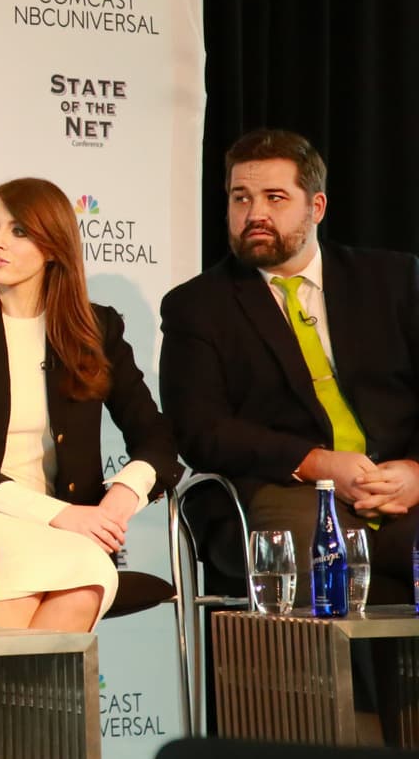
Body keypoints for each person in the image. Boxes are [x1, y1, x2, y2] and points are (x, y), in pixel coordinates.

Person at [0, 177, 180, 759]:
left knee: (80, 581)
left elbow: (157, 439)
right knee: (57, 568)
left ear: (53, 245)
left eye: (18, 230)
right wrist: (63, 517)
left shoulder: (97, 328)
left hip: (56, 535)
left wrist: (118, 500)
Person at [160, 129, 419, 604]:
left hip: (399, 486)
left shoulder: (393, 281)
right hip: (282, 487)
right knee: (315, 566)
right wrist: (315, 463)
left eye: (275, 197)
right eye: (241, 198)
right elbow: (200, 429)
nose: (255, 214)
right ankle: (320, 682)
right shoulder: (197, 306)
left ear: (316, 207)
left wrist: (416, 471)